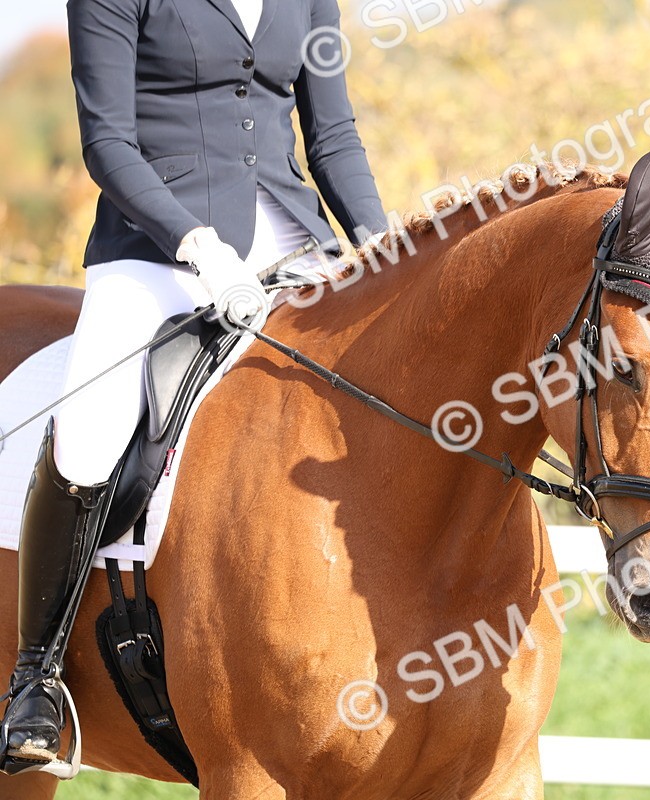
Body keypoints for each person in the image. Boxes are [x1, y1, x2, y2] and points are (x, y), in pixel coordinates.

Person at [1, 0, 389, 774]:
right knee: (86, 437)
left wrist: (385, 247)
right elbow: (107, 142)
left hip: (295, 245)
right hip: (154, 253)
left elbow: (333, 135)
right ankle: (35, 676)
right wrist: (194, 244)